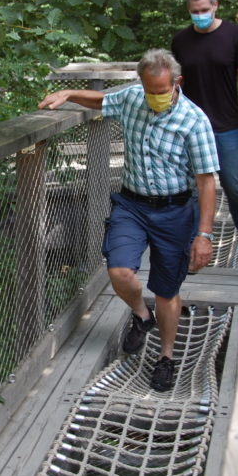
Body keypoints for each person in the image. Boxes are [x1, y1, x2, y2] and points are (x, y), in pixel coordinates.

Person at [38, 49, 219, 392]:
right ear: (142, 83)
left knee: (167, 290)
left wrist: (204, 234)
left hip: (175, 211)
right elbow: (102, 100)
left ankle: (166, 357)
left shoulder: (195, 121)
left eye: (162, 91)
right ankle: (140, 314)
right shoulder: (134, 98)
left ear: (177, 83)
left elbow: (206, 180)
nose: (155, 98)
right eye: (150, 91)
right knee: (119, 271)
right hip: (132, 205)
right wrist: (69, 94)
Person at [170, 0, 238, 258]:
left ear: (215, 5)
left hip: (226, 126)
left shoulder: (235, 35)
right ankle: (194, 243)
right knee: (190, 189)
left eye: (203, 9)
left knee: (234, 185)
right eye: (194, 11)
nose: (199, 14)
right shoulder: (180, 41)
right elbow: (174, 83)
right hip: (190, 127)